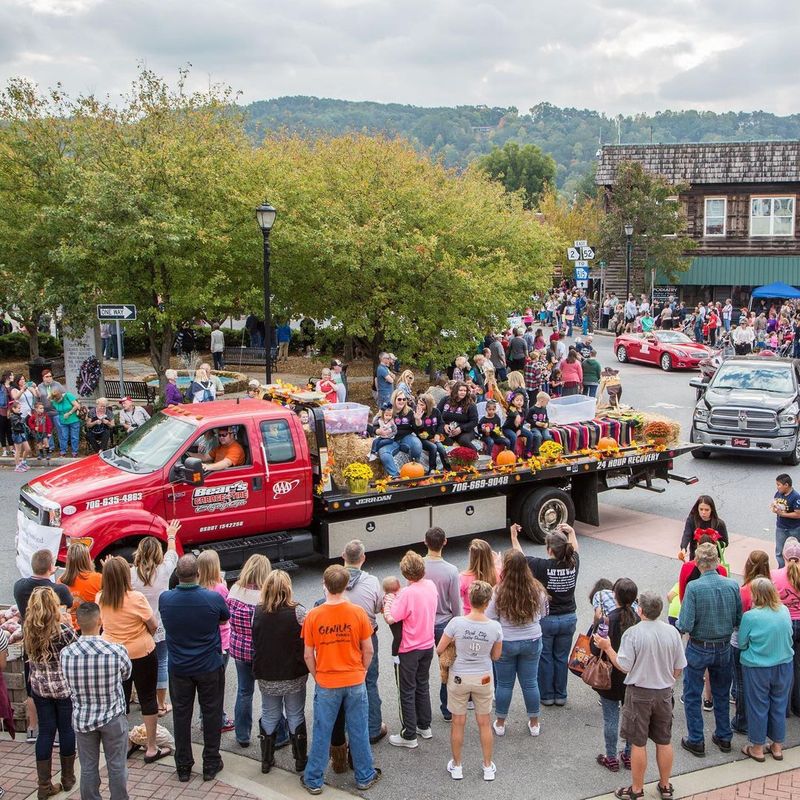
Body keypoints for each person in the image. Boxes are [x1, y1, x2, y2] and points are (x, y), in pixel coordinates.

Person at [594, 592, 686, 800]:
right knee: (664, 741)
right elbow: (678, 667)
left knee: (638, 742)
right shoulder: (672, 632)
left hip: (639, 692)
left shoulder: (633, 634)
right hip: (663, 692)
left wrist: (607, 647)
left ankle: (637, 789)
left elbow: (624, 666)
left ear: (640, 610)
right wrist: (666, 680)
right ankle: (665, 785)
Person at [301, 564, 380, 794]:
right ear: (346, 586)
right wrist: (362, 671)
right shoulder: (357, 613)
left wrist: (318, 676)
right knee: (358, 729)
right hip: (354, 679)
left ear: (324, 585)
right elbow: (369, 650)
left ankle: (314, 779)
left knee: (322, 731)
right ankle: (365, 775)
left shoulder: (314, 615)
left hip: (327, 681)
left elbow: (308, 654)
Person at [160, 554, 230, 782]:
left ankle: (183, 765)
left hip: (179, 667)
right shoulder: (212, 598)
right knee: (211, 713)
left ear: (178, 575)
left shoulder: (166, 599)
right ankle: (210, 762)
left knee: (181, 715)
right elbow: (224, 619)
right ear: (198, 574)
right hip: (208, 665)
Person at [98, 557, 167, 764]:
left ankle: (126, 742)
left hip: (114, 655)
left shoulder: (100, 597)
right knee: (147, 697)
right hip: (141, 652)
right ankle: (152, 747)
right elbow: (153, 625)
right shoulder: (136, 598)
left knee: (121, 700)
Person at [61, 602, 131, 800]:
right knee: (117, 765)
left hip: (83, 717)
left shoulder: (66, 654)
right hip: (112, 715)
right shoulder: (116, 651)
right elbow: (126, 675)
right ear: (100, 621)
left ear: (78, 623)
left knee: (88, 767)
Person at [677, 543, 742, 758]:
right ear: (717, 562)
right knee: (722, 692)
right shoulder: (732, 586)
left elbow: (685, 624)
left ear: (697, 562)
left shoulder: (694, 588)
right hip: (723, 646)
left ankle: (696, 739)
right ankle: (724, 735)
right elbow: (738, 619)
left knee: (692, 694)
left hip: (699, 646)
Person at [437, 581, 502, 782]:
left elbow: (440, 649)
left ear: (468, 599)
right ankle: (487, 766)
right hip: (482, 676)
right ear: (487, 602)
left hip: (459, 677)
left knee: (458, 721)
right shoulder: (495, 627)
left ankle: (457, 766)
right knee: (484, 722)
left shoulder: (456, 623)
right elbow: (496, 656)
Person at [512, 522, 579, 707]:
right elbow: (575, 549)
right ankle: (561, 695)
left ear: (549, 550)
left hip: (547, 619)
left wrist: (514, 538)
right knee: (561, 657)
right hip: (569, 617)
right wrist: (571, 532)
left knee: (546, 657)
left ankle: (547, 696)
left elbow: (520, 558)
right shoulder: (574, 563)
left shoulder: (541, 566)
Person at [252, 570, 309, 773]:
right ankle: (300, 760)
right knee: (295, 714)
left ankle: (266, 760)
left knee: (269, 714)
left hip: (267, 673)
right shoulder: (298, 612)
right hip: (293, 672)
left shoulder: (257, 611)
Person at [24, 587, 78, 800]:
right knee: (66, 730)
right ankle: (68, 778)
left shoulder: (28, 629)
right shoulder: (64, 631)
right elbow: (75, 652)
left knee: (45, 732)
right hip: (64, 688)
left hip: (40, 688)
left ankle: (44, 785)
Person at [487, 549, 547, 738]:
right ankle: (534, 722)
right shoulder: (537, 589)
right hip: (532, 639)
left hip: (506, 641)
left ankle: (501, 722)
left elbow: (490, 617)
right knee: (530, 683)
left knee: (504, 684)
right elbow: (543, 613)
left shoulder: (499, 591)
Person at [386, 550, 438, 749]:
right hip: (427, 645)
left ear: (406, 574)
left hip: (408, 649)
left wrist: (389, 601)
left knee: (406, 690)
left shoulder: (407, 593)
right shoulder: (430, 585)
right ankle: (424, 725)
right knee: (422, 685)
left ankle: (409, 734)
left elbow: (393, 617)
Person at [738, 577, 794, 762]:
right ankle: (777, 746)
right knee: (779, 704)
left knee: (758, 706)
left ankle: (757, 747)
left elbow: (742, 642)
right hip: (784, 664)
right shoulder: (784, 611)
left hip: (758, 667)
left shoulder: (751, 616)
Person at [130, 523, 180, 718]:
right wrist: (171, 535)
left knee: (138, 663)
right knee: (162, 662)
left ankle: (140, 697)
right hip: (160, 625)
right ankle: (160, 704)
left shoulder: (131, 574)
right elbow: (172, 554)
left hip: (138, 626)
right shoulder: (165, 570)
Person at [341, 539, 386, 743]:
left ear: (343, 556)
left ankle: (345, 728)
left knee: (344, 681)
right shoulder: (372, 581)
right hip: (367, 635)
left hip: (342, 637)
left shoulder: (332, 580)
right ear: (363, 558)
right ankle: (374, 728)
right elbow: (378, 607)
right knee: (369, 681)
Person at [591, 579, 638, 773]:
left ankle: (611, 757)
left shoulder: (607, 619)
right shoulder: (638, 619)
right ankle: (628, 754)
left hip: (610, 678)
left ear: (614, 595)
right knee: (631, 717)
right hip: (633, 677)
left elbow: (594, 648)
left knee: (611, 718)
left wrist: (596, 622)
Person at [227, 554, 273, 747]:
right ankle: (272, 732)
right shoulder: (266, 596)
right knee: (270, 693)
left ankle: (242, 735)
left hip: (240, 650)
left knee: (244, 692)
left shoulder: (235, 590)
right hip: (262, 651)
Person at [423, 527, 461, 722]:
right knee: (447, 667)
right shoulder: (451, 571)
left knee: (421, 668)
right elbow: (456, 603)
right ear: (444, 542)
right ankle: (446, 708)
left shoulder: (418, 566)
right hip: (444, 624)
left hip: (422, 623)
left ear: (425, 542)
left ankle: (421, 711)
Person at [732, 550, 771, 734]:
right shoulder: (771, 588)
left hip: (744, 641)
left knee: (741, 683)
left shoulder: (744, 591)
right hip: (766, 640)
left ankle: (742, 720)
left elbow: (737, 620)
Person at [197, 551, 234, 731]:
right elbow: (225, 617)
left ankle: (204, 716)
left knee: (205, 684)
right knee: (217, 684)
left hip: (202, 640)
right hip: (222, 642)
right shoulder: (220, 589)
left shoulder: (197, 587)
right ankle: (218, 720)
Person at [770, 537, 800, 718]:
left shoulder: (775, 575)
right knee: (798, 665)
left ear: (783, 555)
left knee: (784, 665)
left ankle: (784, 705)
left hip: (784, 624)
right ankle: (798, 705)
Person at [14, 548, 73, 619]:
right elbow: (69, 604)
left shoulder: (19, 586)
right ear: (50, 568)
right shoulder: (60, 590)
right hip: (50, 629)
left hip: (28, 628)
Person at [58, 542, 102, 629]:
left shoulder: (61, 581)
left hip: (69, 628)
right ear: (87, 559)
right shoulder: (98, 579)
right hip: (91, 628)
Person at [679, 495, 729, 561]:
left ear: (712, 510)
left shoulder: (719, 524)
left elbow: (725, 542)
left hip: (713, 560)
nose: (703, 512)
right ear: (697, 509)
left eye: (707, 510)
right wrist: (683, 548)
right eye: (701, 509)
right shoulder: (691, 520)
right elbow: (687, 535)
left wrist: (715, 545)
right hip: (696, 558)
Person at [459, 538, 498, 614]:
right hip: (491, 616)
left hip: (470, 616)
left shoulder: (462, 578)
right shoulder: (497, 573)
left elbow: (456, 599)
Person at [772, 473, 800, 568]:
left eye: (779, 484)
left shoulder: (796, 497)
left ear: (786, 485)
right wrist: (774, 508)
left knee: (795, 551)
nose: (777, 487)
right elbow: (775, 503)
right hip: (781, 527)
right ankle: (782, 569)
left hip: (794, 528)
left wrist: (783, 514)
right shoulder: (778, 494)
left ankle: (795, 571)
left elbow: (798, 514)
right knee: (779, 551)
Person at [417, 393, 450, 471]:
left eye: (422, 405)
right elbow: (417, 430)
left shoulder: (436, 411)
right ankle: (432, 469)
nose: (419, 406)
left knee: (441, 448)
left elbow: (441, 423)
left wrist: (437, 434)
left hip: (434, 437)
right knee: (433, 447)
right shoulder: (417, 414)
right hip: (423, 439)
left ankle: (448, 468)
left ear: (428, 405)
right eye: (418, 404)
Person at [49, 389, 81, 458]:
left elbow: (77, 406)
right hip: (63, 421)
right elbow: (53, 403)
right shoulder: (54, 401)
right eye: (55, 401)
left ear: (61, 396)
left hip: (74, 420)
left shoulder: (68, 396)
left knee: (74, 437)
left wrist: (69, 413)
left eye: (58, 400)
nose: (57, 402)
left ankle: (74, 452)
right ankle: (63, 451)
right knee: (63, 436)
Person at [527, 392, 553, 456]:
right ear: (542, 401)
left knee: (547, 436)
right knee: (538, 436)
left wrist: (547, 424)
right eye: (546, 402)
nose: (547, 404)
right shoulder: (532, 409)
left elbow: (546, 418)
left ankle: (549, 450)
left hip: (543, 428)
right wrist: (535, 423)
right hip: (535, 427)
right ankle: (537, 452)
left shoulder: (544, 409)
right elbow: (527, 419)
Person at [9, 399, 32, 471]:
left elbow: (22, 422)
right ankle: (17, 466)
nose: (20, 409)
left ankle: (23, 462)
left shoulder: (18, 415)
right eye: (18, 408)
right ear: (13, 408)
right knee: (18, 451)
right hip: (16, 434)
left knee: (28, 449)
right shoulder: (12, 416)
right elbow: (18, 423)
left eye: (20, 408)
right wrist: (27, 416)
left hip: (21, 433)